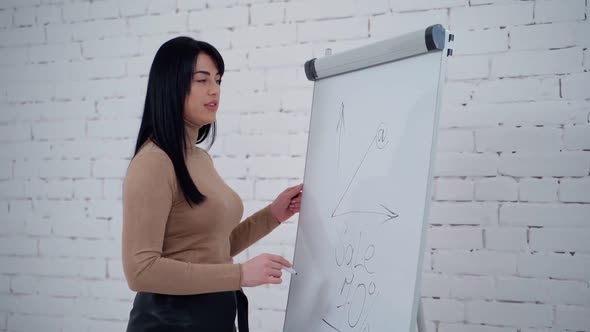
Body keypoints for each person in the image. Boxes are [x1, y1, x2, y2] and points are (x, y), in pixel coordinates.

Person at [121, 36, 303, 332]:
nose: (214, 90)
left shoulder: (199, 158)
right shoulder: (154, 162)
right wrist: (239, 274)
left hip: (213, 319)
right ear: (171, 84)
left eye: (218, 80)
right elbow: (140, 271)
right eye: (202, 80)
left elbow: (213, 248)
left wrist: (274, 215)